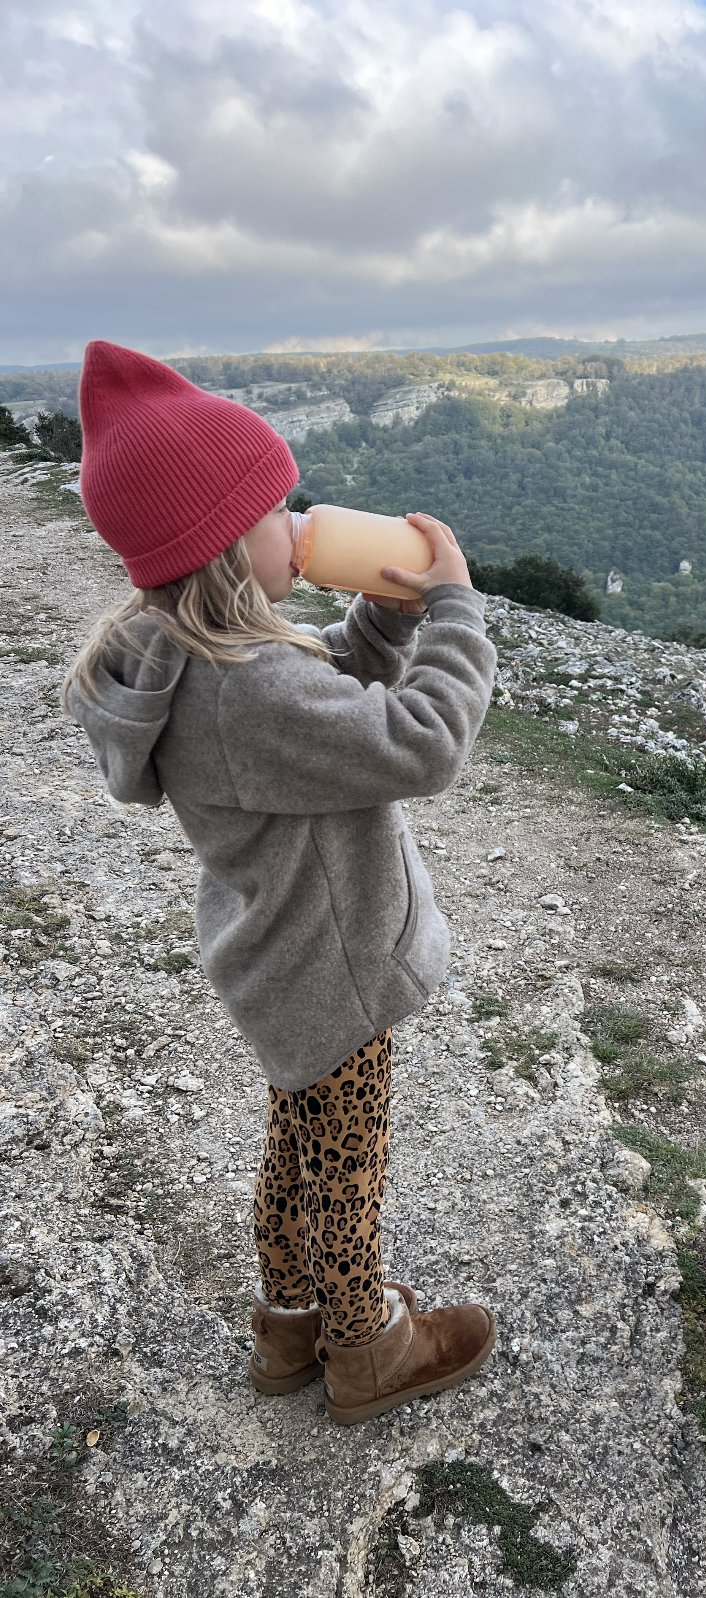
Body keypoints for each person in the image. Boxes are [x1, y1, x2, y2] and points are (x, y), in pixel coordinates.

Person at [65, 340, 499, 1426]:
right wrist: (454, 610)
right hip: (333, 970)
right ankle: (366, 1349)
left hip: (277, 961)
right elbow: (419, 742)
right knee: (346, 1171)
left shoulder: (201, 659)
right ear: (222, 544)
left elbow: (326, 709)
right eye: (276, 509)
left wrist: (385, 617)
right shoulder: (246, 688)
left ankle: (288, 1325)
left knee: (294, 1153)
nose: (297, 522)